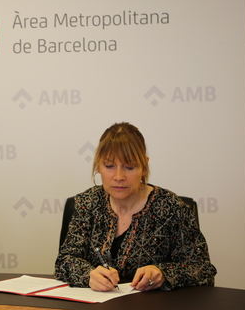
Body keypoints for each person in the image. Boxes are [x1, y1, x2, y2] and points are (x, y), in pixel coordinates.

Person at [55, 122, 216, 292]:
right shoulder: (87, 203)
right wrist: (88, 275)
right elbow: (64, 260)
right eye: (109, 166)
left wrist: (162, 273)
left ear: (144, 166)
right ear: (98, 166)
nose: (118, 176)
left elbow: (202, 270)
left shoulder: (172, 208)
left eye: (129, 167)